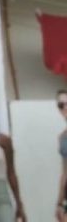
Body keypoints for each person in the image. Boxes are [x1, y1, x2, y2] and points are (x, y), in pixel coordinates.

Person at [57, 90, 67, 222]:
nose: (65, 107)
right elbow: (65, 172)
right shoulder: (62, 137)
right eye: (61, 105)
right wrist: (59, 203)